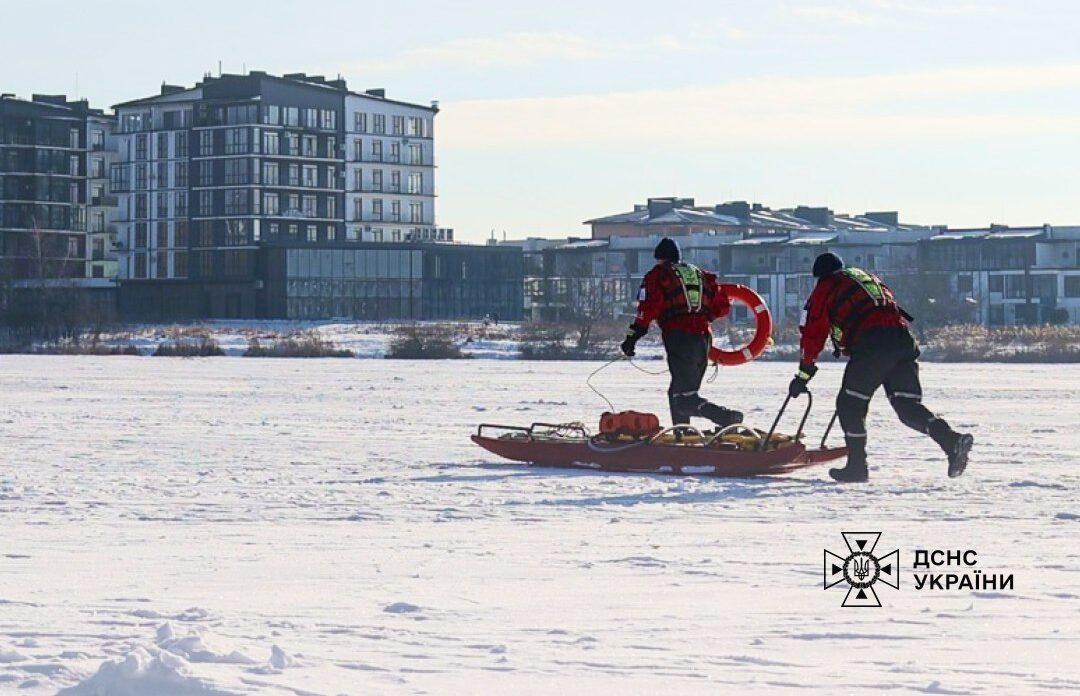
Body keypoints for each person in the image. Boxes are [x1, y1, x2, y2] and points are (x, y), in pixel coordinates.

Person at [788, 252, 973, 482]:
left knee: (849, 404)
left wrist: (803, 375)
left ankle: (857, 467)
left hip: (873, 345)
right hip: (902, 342)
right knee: (907, 406)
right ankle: (951, 440)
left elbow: (813, 334)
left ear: (819, 275)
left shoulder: (826, 288)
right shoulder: (865, 278)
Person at [620, 238, 744, 429]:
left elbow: (648, 308)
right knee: (680, 392)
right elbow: (722, 306)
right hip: (703, 338)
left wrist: (632, 337)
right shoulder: (700, 274)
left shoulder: (659, 275)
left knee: (683, 399)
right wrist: (703, 316)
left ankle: (723, 416)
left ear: (660, 258)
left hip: (679, 336)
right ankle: (682, 432)